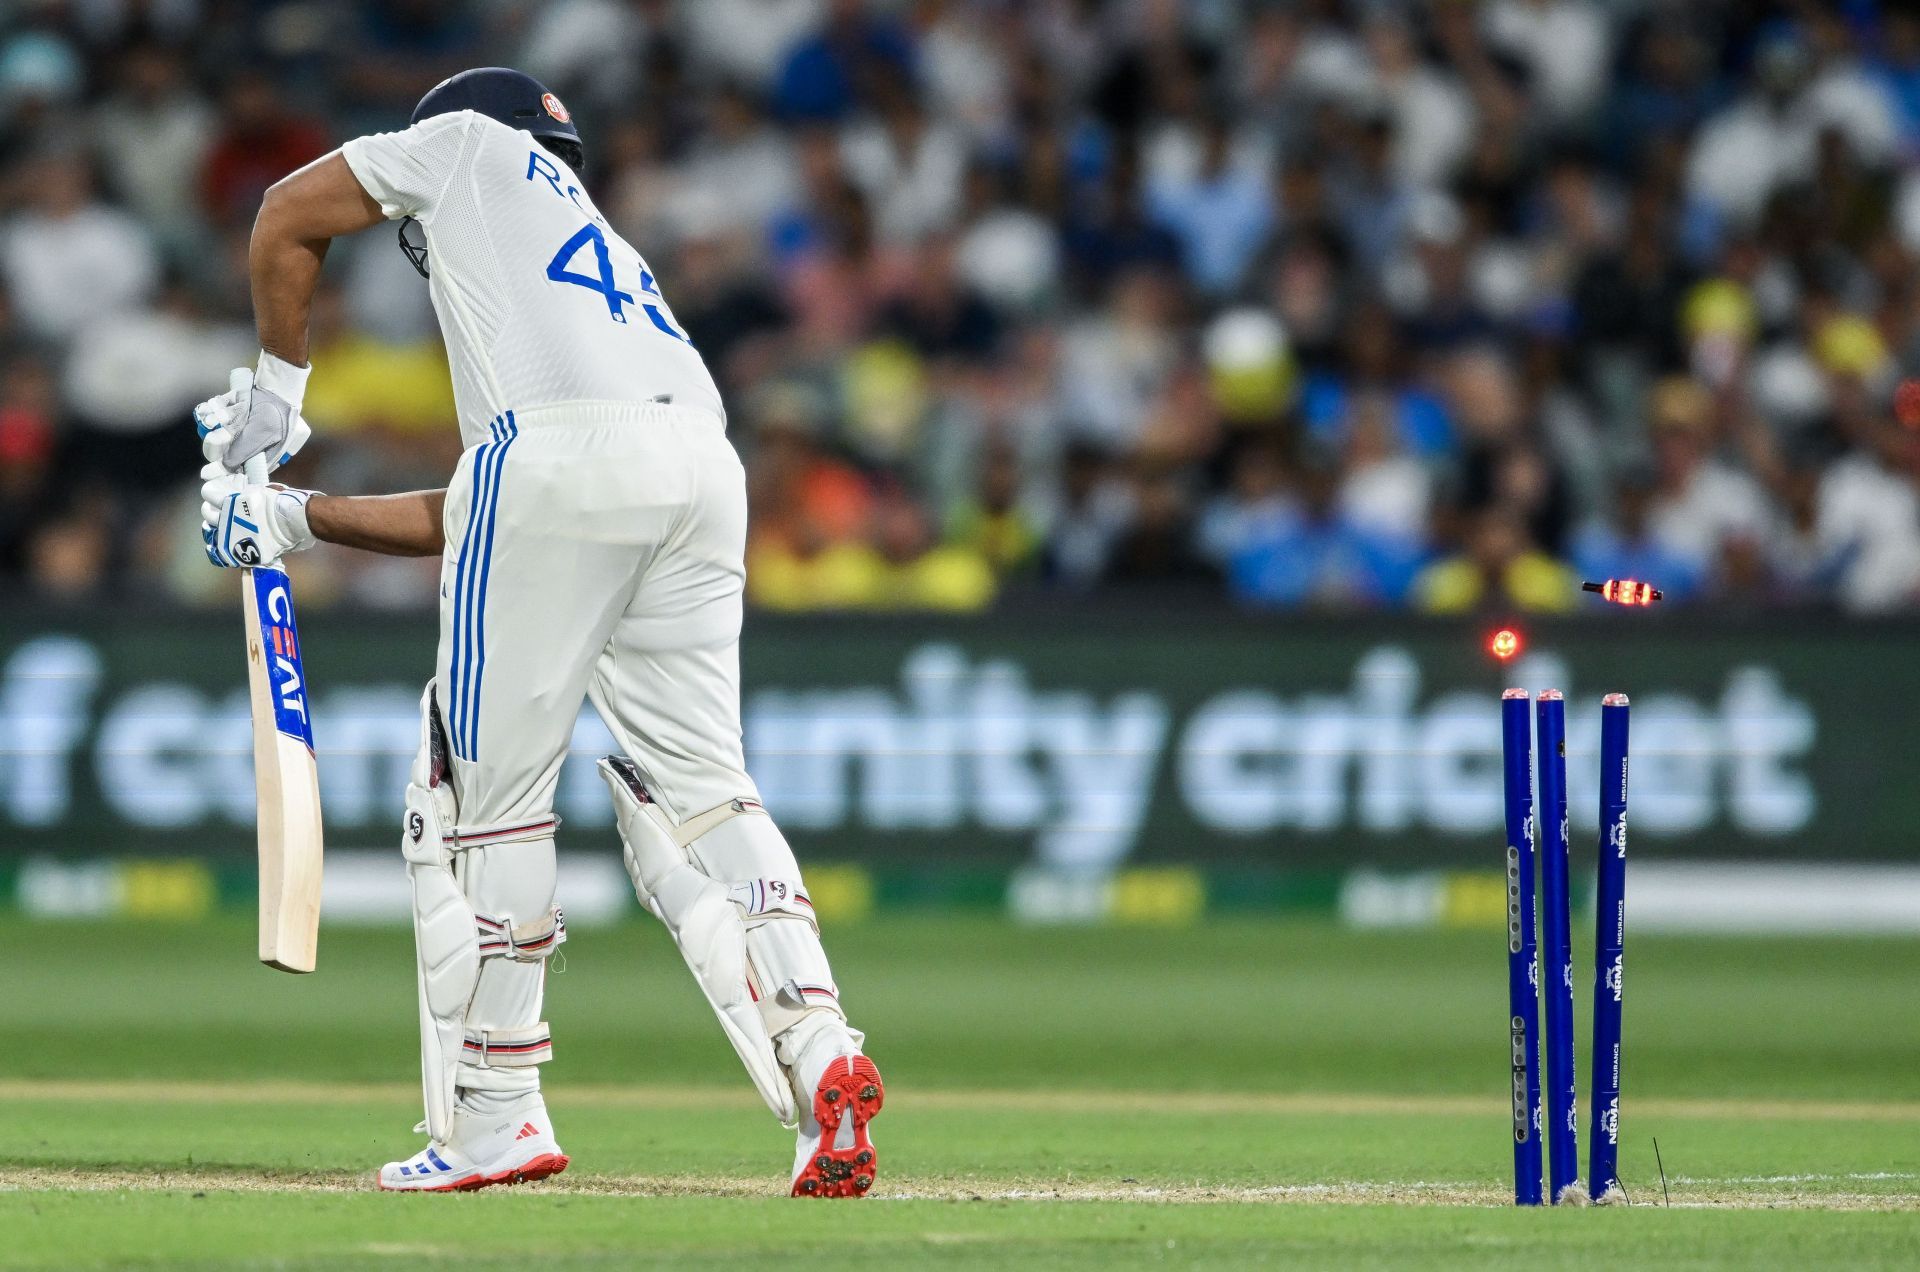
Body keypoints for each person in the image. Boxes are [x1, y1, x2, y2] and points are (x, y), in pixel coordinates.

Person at [192, 68, 882, 1198]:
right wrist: (295, 517)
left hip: (557, 467)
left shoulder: (460, 143)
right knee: (711, 789)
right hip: (705, 465)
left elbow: (285, 211)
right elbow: (501, 509)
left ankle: (498, 1112)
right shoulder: (608, 267)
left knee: (475, 799)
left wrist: (276, 395)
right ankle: (824, 1055)